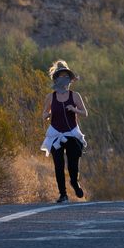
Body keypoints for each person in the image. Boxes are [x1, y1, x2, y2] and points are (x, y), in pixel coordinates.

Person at [40, 60, 88, 203]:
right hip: (55, 133)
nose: (64, 79)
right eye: (60, 76)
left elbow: (85, 113)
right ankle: (63, 194)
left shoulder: (75, 96)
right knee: (58, 164)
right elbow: (43, 114)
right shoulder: (50, 97)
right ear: (56, 79)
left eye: (66, 77)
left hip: (71, 133)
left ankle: (74, 182)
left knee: (73, 163)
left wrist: (74, 110)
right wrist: (47, 115)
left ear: (69, 79)